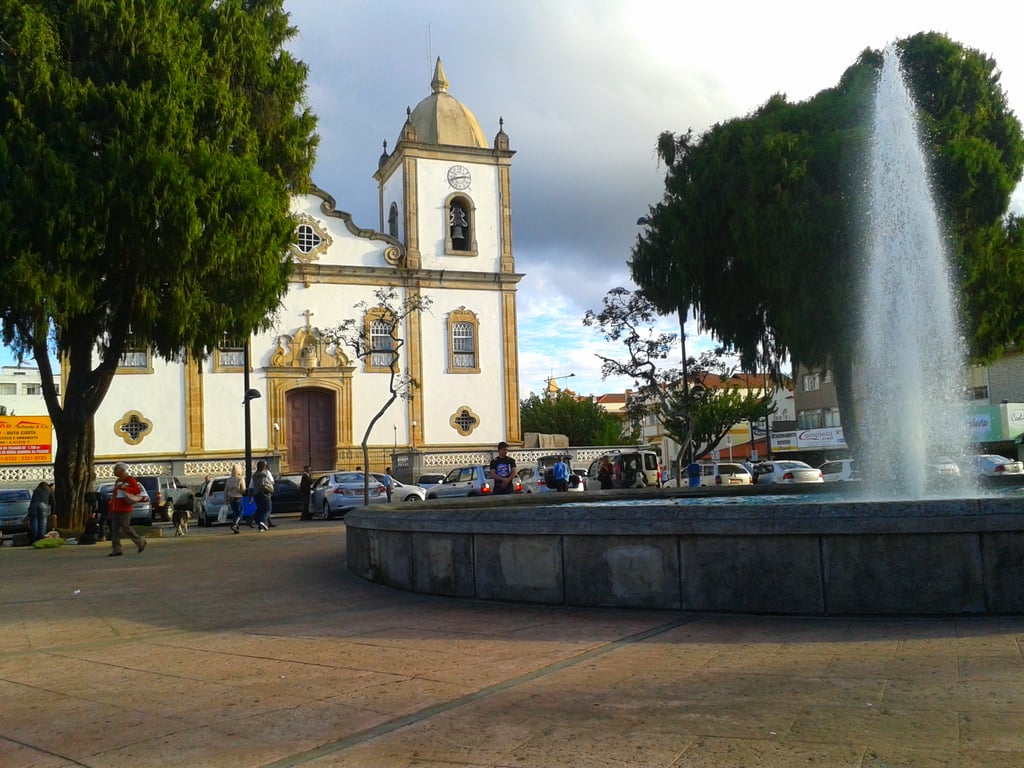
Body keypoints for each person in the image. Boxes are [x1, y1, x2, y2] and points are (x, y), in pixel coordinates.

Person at [108, 462, 147, 556]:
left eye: (116, 469)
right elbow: (115, 495)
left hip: (125, 507)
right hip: (116, 508)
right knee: (114, 529)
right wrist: (111, 507)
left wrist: (126, 488)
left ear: (122, 470)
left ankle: (140, 541)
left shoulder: (130, 479)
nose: (114, 472)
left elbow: (137, 490)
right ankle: (116, 549)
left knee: (125, 527)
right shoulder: (117, 481)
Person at [248, 460, 275, 532]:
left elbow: (251, 486)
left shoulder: (254, 475)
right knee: (267, 509)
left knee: (260, 509)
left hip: (257, 494)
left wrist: (250, 497)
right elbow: (272, 481)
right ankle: (262, 522)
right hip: (265, 493)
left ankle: (259, 526)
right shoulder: (267, 473)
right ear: (264, 466)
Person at [226, 463, 248, 533]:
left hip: (231, 498)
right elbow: (243, 490)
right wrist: (238, 489)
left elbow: (225, 490)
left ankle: (236, 528)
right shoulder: (240, 478)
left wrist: (226, 499)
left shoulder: (229, 480)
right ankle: (235, 524)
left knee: (235, 513)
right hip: (238, 498)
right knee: (240, 513)